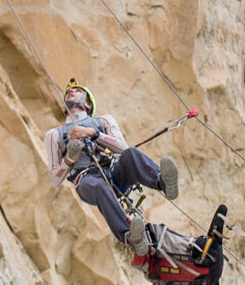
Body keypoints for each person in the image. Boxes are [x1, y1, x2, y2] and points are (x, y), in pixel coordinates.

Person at [44, 81, 179, 246]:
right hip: (86, 180)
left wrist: (94, 134)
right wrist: (69, 159)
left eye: (77, 90)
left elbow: (122, 148)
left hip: (114, 171)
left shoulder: (103, 121)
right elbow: (55, 179)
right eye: (69, 90)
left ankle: (163, 182)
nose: (71, 90)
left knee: (131, 154)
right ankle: (130, 235)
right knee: (99, 186)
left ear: (87, 103)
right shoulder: (54, 135)